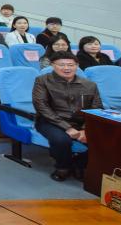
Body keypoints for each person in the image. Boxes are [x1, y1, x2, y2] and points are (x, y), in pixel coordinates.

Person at [32, 51, 102, 181]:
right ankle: (63, 167)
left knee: (107, 138)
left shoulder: (89, 85)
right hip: (50, 121)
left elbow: (96, 108)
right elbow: (41, 106)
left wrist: (85, 129)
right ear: (53, 65)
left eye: (70, 65)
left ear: (77, 66)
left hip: (80, 122)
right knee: (61, 140)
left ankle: (79, 164)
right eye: (61, 65)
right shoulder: (42, 81)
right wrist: (67, 128)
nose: (66, 68)